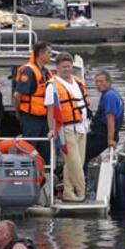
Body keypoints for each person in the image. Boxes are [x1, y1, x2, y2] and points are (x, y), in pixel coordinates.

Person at [45, 52, 91, 202]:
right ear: (57, 67)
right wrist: (52, 129)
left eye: (69, 66)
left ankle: (69, 193)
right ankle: (83, 192)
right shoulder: (53, 86)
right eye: (64, 67)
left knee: (78, 161)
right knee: (74, 162)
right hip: (65, 129)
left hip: (82, 127)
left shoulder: (77, 82)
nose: (67, 69)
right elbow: (51, 110)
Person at [15, 42, 53, 162]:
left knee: (45, 149)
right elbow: (17, 95)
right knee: (30, 147)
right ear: (41, 54)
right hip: (31, 117)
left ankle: (45, 174)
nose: (50, 55)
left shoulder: (46, 72)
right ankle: (28, 173)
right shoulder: (29, 71)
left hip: (45, 117)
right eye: (48, 53)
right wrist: (18, 114)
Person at [85, 71, 124, 164]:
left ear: (109, 82)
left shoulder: (109, 96)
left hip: (103, 134)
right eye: (97, 82)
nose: (98, 84)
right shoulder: (112, 93)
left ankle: (84, 177)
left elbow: (110, 119)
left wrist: (110, 140)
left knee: (84, 154)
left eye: (101, 81)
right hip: (104, 133)